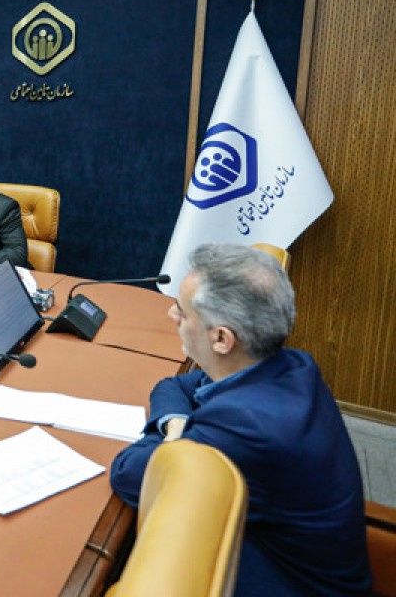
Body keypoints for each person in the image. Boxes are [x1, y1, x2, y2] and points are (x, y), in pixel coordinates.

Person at [109, 243, 372, 596]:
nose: (172, 315)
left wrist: (175, 443)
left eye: (182, 312)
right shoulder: (290, 365)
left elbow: (127, 473)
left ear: (221, 338)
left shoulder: (248, 427)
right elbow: (174, 386)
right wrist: (177, 426)